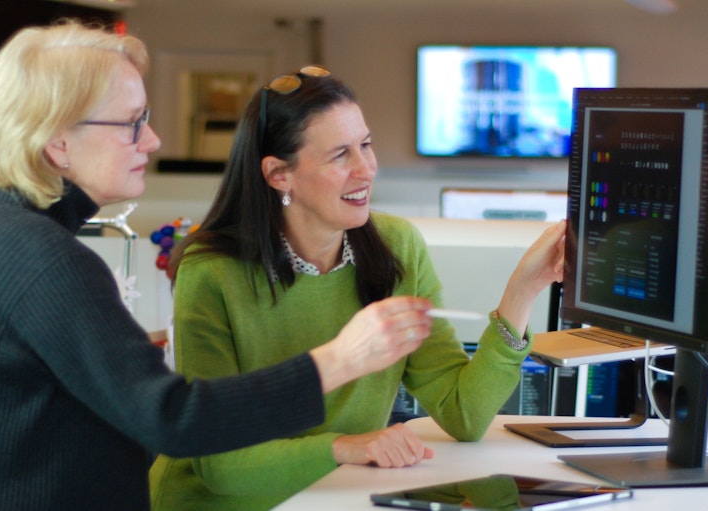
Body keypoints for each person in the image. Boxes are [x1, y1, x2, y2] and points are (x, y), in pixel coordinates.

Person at [0, 23, 436, 511]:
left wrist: (72, 384)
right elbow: (176, 419)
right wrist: (341, 359)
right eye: (132, 122)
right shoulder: (47, 259)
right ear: (58, 143)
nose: (154, 139)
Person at [148, 66, 566, 510]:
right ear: (278, 174)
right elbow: (220, 466)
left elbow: (464, 414)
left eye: (365, 145)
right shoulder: (211, 270)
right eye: (340, 155)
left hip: (335, 498)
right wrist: (345, 447)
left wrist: (523, 290)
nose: (366, 169)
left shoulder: (396, 246)